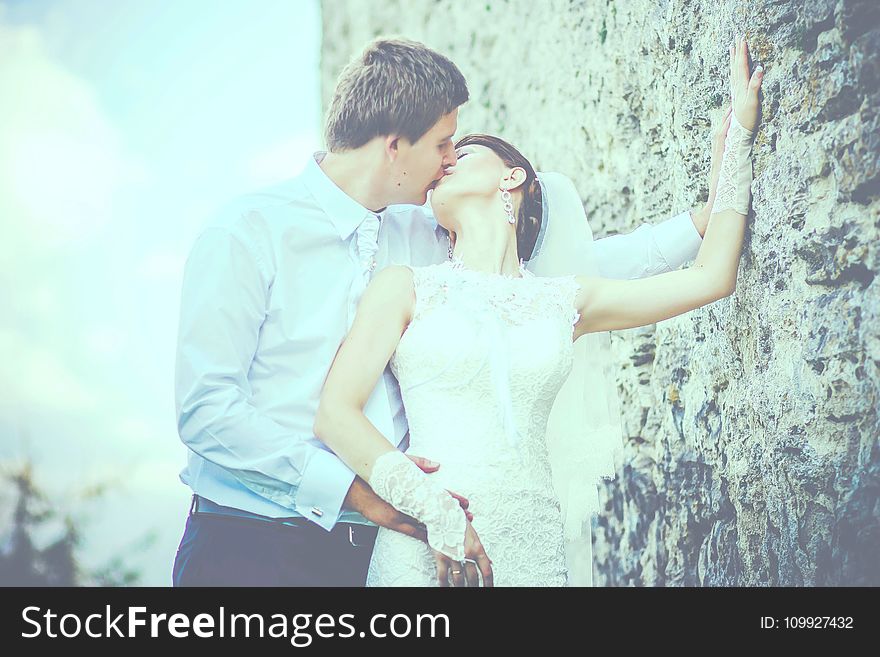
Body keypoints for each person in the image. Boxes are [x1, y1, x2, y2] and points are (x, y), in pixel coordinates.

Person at [171, 37, 724, 587]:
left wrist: (704, 220)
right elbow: (207, 411)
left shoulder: (426, 235)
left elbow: (557, 282)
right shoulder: (247, 231)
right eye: (442, 143)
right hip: (251, 544)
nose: (448, 160)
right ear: (394, 147)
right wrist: (358, 493)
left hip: (384, 553)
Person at [312, 36, 764, 586]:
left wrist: (739, 137)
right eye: (443, 152)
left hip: (533, 544)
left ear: (512, 176)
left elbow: (711, 277)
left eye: (466, 150)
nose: (447, 159)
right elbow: (335, 412)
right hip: (428, 540)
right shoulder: (404, 286)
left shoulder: (563, 299)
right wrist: (431, 508)